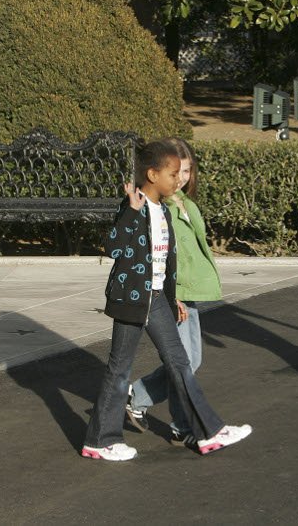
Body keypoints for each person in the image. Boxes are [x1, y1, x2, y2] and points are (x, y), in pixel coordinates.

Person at [81, 139, 251, 461]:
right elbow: (113, 248)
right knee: (119, 369)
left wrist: (174, 301)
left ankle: (208, 433)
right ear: (152, 174)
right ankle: (100, 441)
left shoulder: (163, 210)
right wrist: (130, 212)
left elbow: (164, 263)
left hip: (158, 299)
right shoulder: (135, 204)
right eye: (172, 174)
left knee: (180, 362)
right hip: (132, 300)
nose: (178, 180)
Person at [125, 138, 222, 447]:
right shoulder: (160, 206)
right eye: (177, 171)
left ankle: (138, 397)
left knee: (190, 362)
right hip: (175, 292)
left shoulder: (185, 203)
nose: (182, 177)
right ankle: (181, 424)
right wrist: (173, 295)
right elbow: (162, 254)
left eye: (188, 170)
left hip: (191, 291)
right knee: (184, 363)